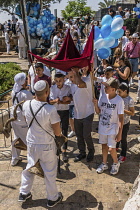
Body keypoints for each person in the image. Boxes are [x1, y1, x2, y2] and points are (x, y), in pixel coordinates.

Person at [19, 80, 63, 207]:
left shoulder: (26, 104)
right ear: (47, 92)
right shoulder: (51, 109)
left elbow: (27, 120)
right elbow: (58, 132)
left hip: (32, 142)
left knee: (29, 167)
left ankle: (24, 192)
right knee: (49, 172)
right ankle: (52, 198)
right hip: (46, 145)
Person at [93, 78, 124, 175]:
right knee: (104, 146)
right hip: (102, 126)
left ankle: (115, 163)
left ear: (114, 89)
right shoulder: (103, 97)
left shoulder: (119, 101)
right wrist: (95, 104)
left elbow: (121, 118)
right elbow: (98, 112)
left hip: (113, 128)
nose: (105, 88)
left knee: (111, 148)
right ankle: (104, 163)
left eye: (107, 87)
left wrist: (120, 133)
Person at [70, 67, 95, 162]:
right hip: (77, 113)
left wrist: (76, 71)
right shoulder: (71, 85)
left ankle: (91, 151)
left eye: (72, 77)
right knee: (79, 135)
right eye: (69, 77)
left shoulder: (87, 81)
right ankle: (82, 152)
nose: (71, 79)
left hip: (88, 112)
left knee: (86, 134)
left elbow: (81, 85)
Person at [11, 73, 33, 166]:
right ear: (23, 81)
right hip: (22, 120)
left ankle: (15, 158)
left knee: (16, 138)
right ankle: (32, 161)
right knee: (29, 140)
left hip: (14, 118)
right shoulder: (27, 94)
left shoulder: (14, 91)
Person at [50, 73, 72, 162]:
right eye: (57, 81)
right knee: (55, 130)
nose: (58, 83)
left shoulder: (67, 88)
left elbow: (69, 101)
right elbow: (51, 101)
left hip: (65, 111)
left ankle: (64, 150)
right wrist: (56, 101)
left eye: (60, 81)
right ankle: (56, 148)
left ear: (63, 80)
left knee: (64, 130)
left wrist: (63, 101)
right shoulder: (52, 88)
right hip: (55, 112)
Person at [117, 83, 135, 163]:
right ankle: (116, 147)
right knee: (116, 135)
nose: (118, 93)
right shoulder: (118, 98)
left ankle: (123, 154)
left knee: (123, 139)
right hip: (117, 121)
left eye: (120, 91)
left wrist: (123, 110)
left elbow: (132, 113)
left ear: (125, 91)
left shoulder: (130, 100)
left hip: (125, 123)